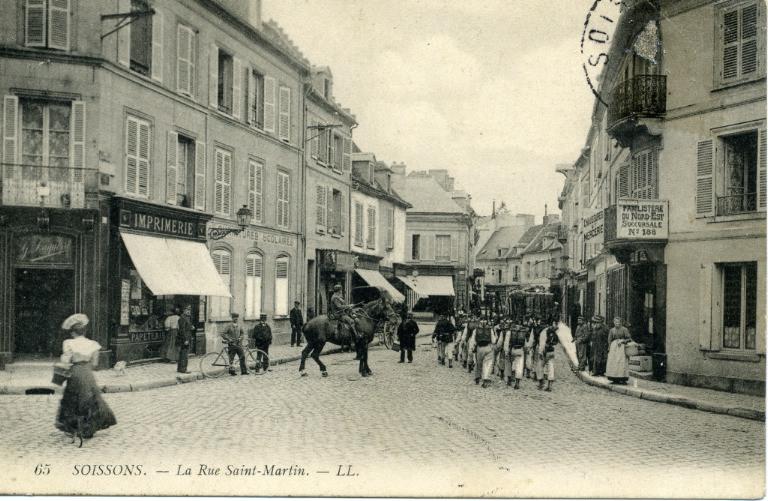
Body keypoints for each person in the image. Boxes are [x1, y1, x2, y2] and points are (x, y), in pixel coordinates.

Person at [55, 314, 117, 442]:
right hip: (88, 373)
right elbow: (95, 364)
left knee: (72, 398)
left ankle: (72, 426)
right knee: (90, 398)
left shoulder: (68, 343)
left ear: (73, 332)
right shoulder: (94, 344)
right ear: (84, 331)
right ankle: (88, 427)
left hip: (75, 371)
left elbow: (66, 360)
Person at [473, 318, 499, 388]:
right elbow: (493, 340)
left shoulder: (476, 329)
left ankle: (477, 378)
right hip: (488, 347)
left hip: (479, 348)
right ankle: (485, 379)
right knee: (487, 364)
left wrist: (472, 348)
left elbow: (473, 340)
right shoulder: (490, 329)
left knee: (479, 364)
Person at [606, 316, 632, 384]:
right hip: (614, 348)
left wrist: (623, 341)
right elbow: (609, 340)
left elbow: (629, 339)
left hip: (621, 348)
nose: (617, 323)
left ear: (621, 322)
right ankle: (614, 378)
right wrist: (609, 347)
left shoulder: (624, 329)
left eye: (618, 322)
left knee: (621, 363)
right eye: (615, 322)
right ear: (614, 322)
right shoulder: (612, 330)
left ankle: (623, 378)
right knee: (613, 363)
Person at [537, 321, 559, 391]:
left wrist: (540, 352)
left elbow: (542, 343)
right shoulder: (553, 332)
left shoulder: (544, 332)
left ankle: (541, 383)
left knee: (540, 366)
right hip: (551, 351)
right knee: (551, 368)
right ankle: (550, 386)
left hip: (545, 352)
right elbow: (556, 342)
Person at [504, 324, 527, 389]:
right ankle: (517, 383)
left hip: (512, 350)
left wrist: (506, 351)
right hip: (520, 350)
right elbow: (525, 344)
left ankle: (509, 380)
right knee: (519, 366)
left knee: (509, 364)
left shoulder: (509, 332)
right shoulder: (522, 332)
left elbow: (506, 342)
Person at [176, 306, 193, 374]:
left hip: (186, 338)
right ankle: (183, 369)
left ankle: (180, 368)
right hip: (184, 339)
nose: (188, 311)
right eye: (187, 310)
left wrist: (191, 327)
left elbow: (186, 327)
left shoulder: (186, 318)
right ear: (183, 310)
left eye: (189, 310)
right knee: (184, 354)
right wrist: (185, 339)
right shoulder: (182, 318)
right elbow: (182, 330)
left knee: (183, 354)